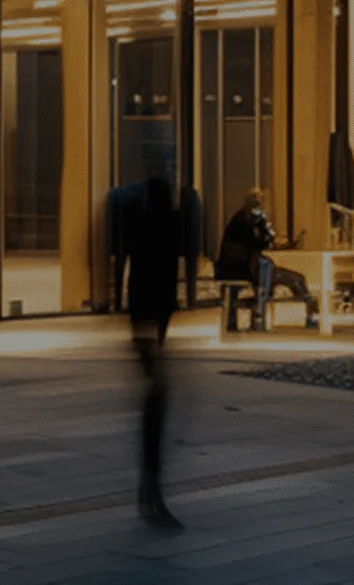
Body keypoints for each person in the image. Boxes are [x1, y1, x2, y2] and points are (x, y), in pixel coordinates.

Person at [106, 147, 199, 530]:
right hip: (151, 308)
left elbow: (124, 259)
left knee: (156, 392)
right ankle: (151, 486)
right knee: (155, 395)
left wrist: (114, 297)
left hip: (152, 308)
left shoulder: (144, 209)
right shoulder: (163, 211)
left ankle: (151, 485)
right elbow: (184, 258)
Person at [213, 188, 314, 327]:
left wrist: (264, 228)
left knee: (273, 272)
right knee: (294, 278)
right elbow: (260, 243)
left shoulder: (241, 219)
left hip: (239, 267)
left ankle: (257, 313)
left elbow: (260, 243)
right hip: (245, 268)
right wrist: (265, 227)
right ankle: (262, 312)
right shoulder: (246, 222)